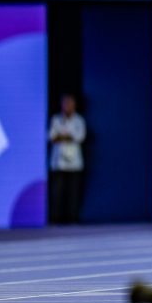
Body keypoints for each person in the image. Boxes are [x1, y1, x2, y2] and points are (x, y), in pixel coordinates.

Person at [48, 94, 86, 224]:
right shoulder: (56, 119)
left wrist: (62, 136)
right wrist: (68, 137)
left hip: (74, 162)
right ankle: (56, 219)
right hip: (58, 162)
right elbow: (52, 138)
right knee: (57, 193)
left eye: (70, 103)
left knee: (73, 193)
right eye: (65, 103)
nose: (68, 106)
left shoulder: (79, 120)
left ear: (74, 105)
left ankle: (73, 219)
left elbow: (79, 138)